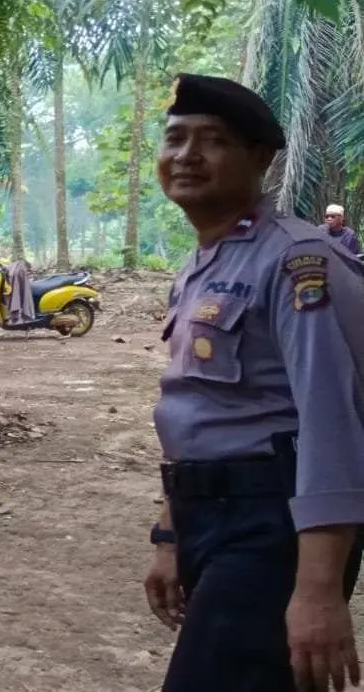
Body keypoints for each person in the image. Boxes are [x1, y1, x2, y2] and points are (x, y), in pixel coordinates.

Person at [145, 72, 364, 692]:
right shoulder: (200, 264)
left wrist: (318, 590)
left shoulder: (298, 262)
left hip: (273, 523)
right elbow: (202, 415)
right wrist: (169, 535)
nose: (187, 156)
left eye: (212, 140)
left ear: (261, 159)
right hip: (208, 513)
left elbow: (333, 424)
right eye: (175, 139)